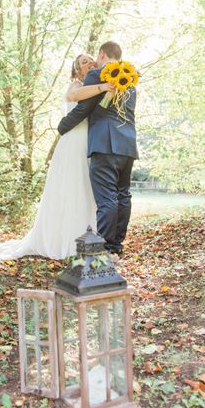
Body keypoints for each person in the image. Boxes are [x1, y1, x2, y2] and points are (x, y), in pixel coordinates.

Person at [0, 54, 113, 260]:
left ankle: (89, 238)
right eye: (85, 62)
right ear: (77, 71)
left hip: (90, 142)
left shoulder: (97, 85)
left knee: (86, 188)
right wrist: (103, 87)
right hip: (73, 142)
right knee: (71, 187)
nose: (91, 62)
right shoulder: (75, 86)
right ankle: (65, 241)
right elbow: (75, 98)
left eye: (92, 60)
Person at [58, 41, 138, 256]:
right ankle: (116, 246)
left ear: (102, 54)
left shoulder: (97, 75)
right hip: (128, 143)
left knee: (107, 199)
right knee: (123, 195)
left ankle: (101, 249)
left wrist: (63, 126)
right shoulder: (130, 80)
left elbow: (83, 108)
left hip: (104, 144)